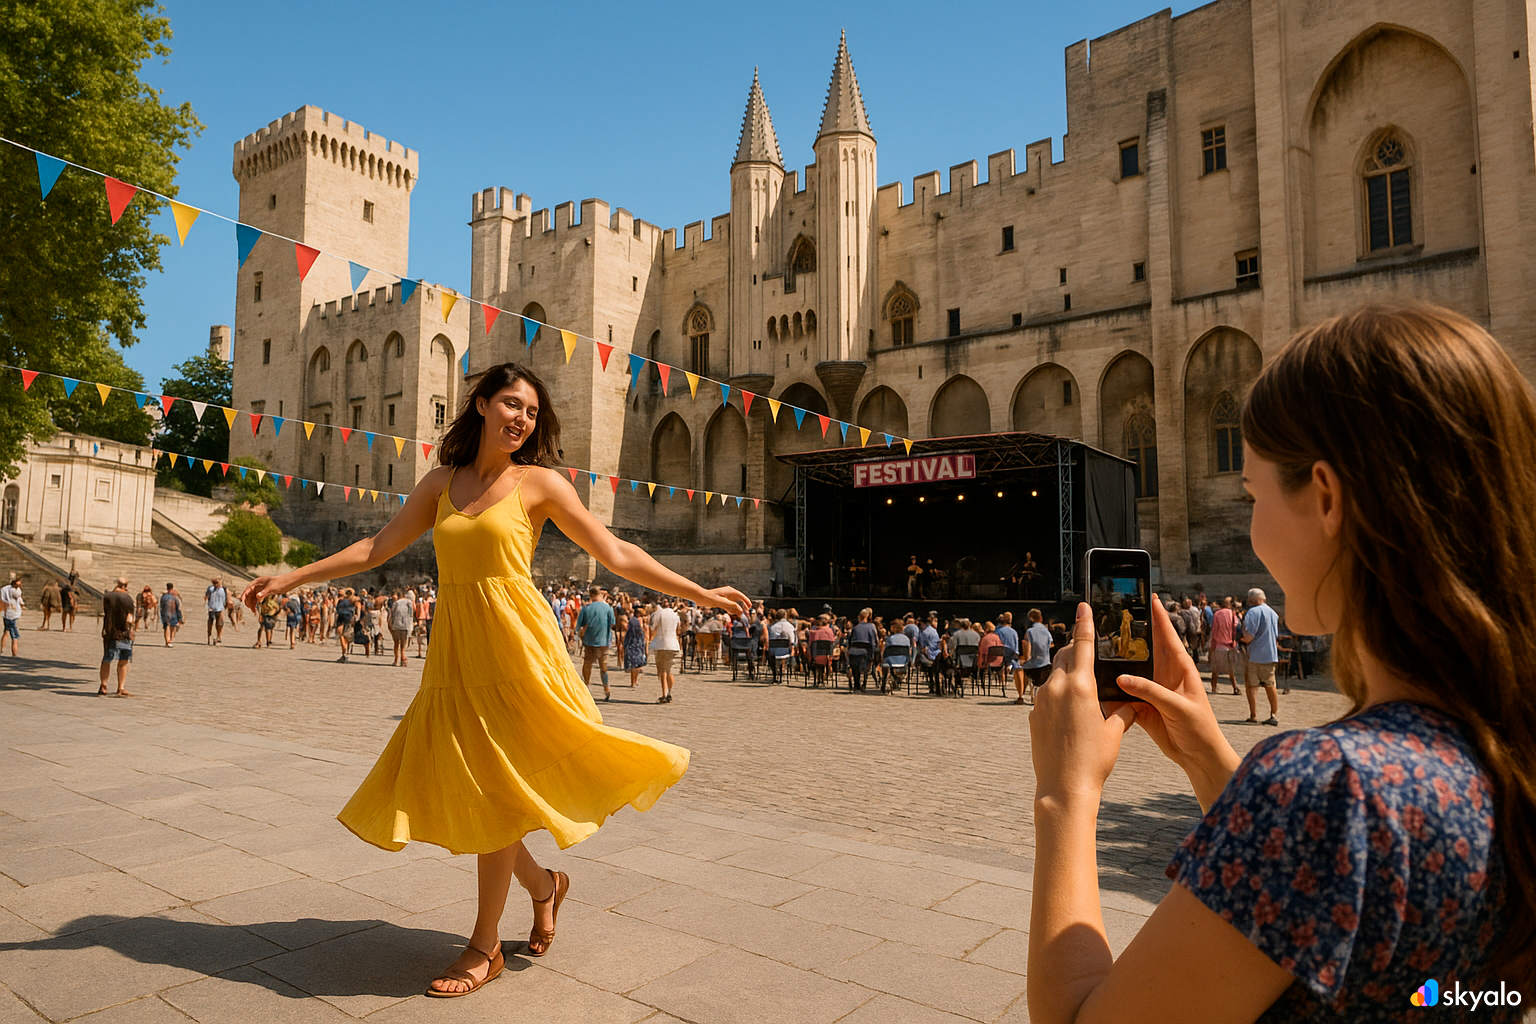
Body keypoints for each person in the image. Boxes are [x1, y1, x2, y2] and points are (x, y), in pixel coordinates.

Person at [1026, 304, 1535, 1023]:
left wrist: (1064, 793)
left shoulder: (1325, 791)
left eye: (1253, 494)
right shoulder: (1498, 750)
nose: (1254, 522)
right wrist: (1210, 760)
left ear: (1326, 498)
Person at [241, 362, 749, 999]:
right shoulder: (440, 482)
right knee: (487, 790)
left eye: (532, 412)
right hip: (458, 655)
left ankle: (484, 947)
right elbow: (376, 548)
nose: (522, 419)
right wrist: (291, 577)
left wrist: (698, 591)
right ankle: (545, 886)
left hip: (519, 652)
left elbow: (616, 552)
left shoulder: (540, 483)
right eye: (512, 404)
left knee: (498, 790)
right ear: (480, 404)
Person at [1240, 587, 1282, 726]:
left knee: (1251, 685)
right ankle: (1274, 714)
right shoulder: (1273, 613)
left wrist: (1241, 638)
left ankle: (1253, 715)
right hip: (1270, 654)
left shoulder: (1253, 612)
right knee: (1270, 684)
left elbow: (1249, 636)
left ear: (1251, 600)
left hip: (1256, 654)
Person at [576, 586, 617, 701]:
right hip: (604, 641)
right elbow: (612, 623)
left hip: (589, 641)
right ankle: (606, 689)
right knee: (603, 667)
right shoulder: (608, 608)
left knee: (587, 664)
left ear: (591, 595)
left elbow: (579, 626)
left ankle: (586, 685)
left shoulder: (586, 609)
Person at [99, 577, 134, 696]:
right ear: (125, 586)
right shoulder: (127, 599)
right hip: (123, 633)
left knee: (107, 659)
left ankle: (103, 686)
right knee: (123, 661)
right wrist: (132, 630)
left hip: (109, 632)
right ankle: (121, 687)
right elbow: (129, 619)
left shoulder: (107, 597)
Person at [1208, 596, 1241, 695]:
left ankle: (1214, 688)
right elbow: (1237, 628)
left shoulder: (1217, 614)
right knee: (1231, 670)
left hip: (1218, 645)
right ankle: (1235, 687)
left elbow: (1214, 630)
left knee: (1215, 669)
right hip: (1230, 645)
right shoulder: (1233, 614)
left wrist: (1212, 645)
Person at [649, 596, 680, 702]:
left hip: (661, 644)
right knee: (669, 670)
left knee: (662, 671)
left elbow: (653, 628)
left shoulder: (658, 613)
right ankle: (670, 691)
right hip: (673, 644)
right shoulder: (675, 615)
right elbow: (678, 629)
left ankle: (664, 694)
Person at [1018, 608, 1052, 705]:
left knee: (1020, 669)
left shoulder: (1030, 631)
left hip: (1033, 664)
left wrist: (1026, 659)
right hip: (1045, 662)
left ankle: (1022, 694)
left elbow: (1027, 646)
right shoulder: (1046, 631)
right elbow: (1050, 643)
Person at [846, 608, 879, 691]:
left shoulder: (855, 628)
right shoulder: (872, 627)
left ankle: (856, 683)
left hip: (854, 651)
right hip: (866, 652)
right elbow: (874, 641)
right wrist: (873, 655)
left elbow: (850, 641)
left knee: (854, 664)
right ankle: (864, 682)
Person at [622, 606, 648, 687]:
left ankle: (633, 682)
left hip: (633, 647)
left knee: (634, 666)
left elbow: (627, 639)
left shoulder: (631, 628)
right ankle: (634, 681)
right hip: (637, 647)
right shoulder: (639, 630)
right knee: (636, 666)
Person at [389, 589, 414, 667]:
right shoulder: (409, 602)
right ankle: (403, 658)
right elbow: (411, 614)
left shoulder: (396, 603)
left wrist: (390, 624)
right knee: (403, 644)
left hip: (396, 624)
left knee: (396, 643)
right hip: (405, 625)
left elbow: (392, 614)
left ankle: (396, 660)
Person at [1, 576, 23, 656]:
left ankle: (2, 649)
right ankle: (14, 653)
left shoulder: (4, 589)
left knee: (6, 631)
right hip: (14, 613)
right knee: (14, 635)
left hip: (6, 613)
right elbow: (18, 597)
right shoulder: (15, 590)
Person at [334, 588, 357, 662]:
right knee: (346, 637)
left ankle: (344, 653)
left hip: (342, 619)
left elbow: (337, 610)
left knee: (342, 636)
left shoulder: (340, 601)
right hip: (349, 619)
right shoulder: (350, 601)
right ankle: (345, 653)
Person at [205, 577, 227, 645]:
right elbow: (207, 596)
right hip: (213, 607)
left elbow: (225, 598)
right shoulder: (211, 589)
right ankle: (210, 636)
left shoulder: (222, 589)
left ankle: (218, 636)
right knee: (211, 622)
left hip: (219, 608)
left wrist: (225, 605)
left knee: (219, 623)